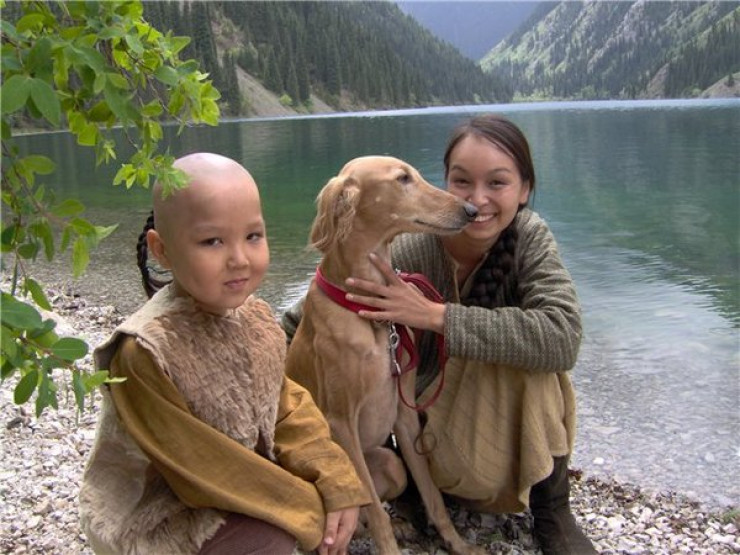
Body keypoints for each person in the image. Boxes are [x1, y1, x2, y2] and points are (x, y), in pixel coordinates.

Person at [282, 114, 596, 555]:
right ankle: (427, 498)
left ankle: (553, 507)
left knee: (543, 364)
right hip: (432, 422)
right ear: (446, 180)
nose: (477, 200)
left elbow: (563, 336)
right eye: (461, 181)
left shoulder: (529, 238)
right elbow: (303, 321)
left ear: (525, 189)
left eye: (498, 183)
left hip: (471, 413)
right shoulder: (405, 246)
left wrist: (435, 316)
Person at [79, 152, 371, 555]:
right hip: (162, 507)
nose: (239, 259)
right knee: (271, 541)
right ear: (162, 250)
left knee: (329, 499)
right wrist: (309, 510)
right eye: (212, 241)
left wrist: (335, 478)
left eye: (253, 236)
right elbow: (199, 466)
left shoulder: (256, 317)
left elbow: (285, 408)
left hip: (239, 479)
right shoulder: (144, 351)